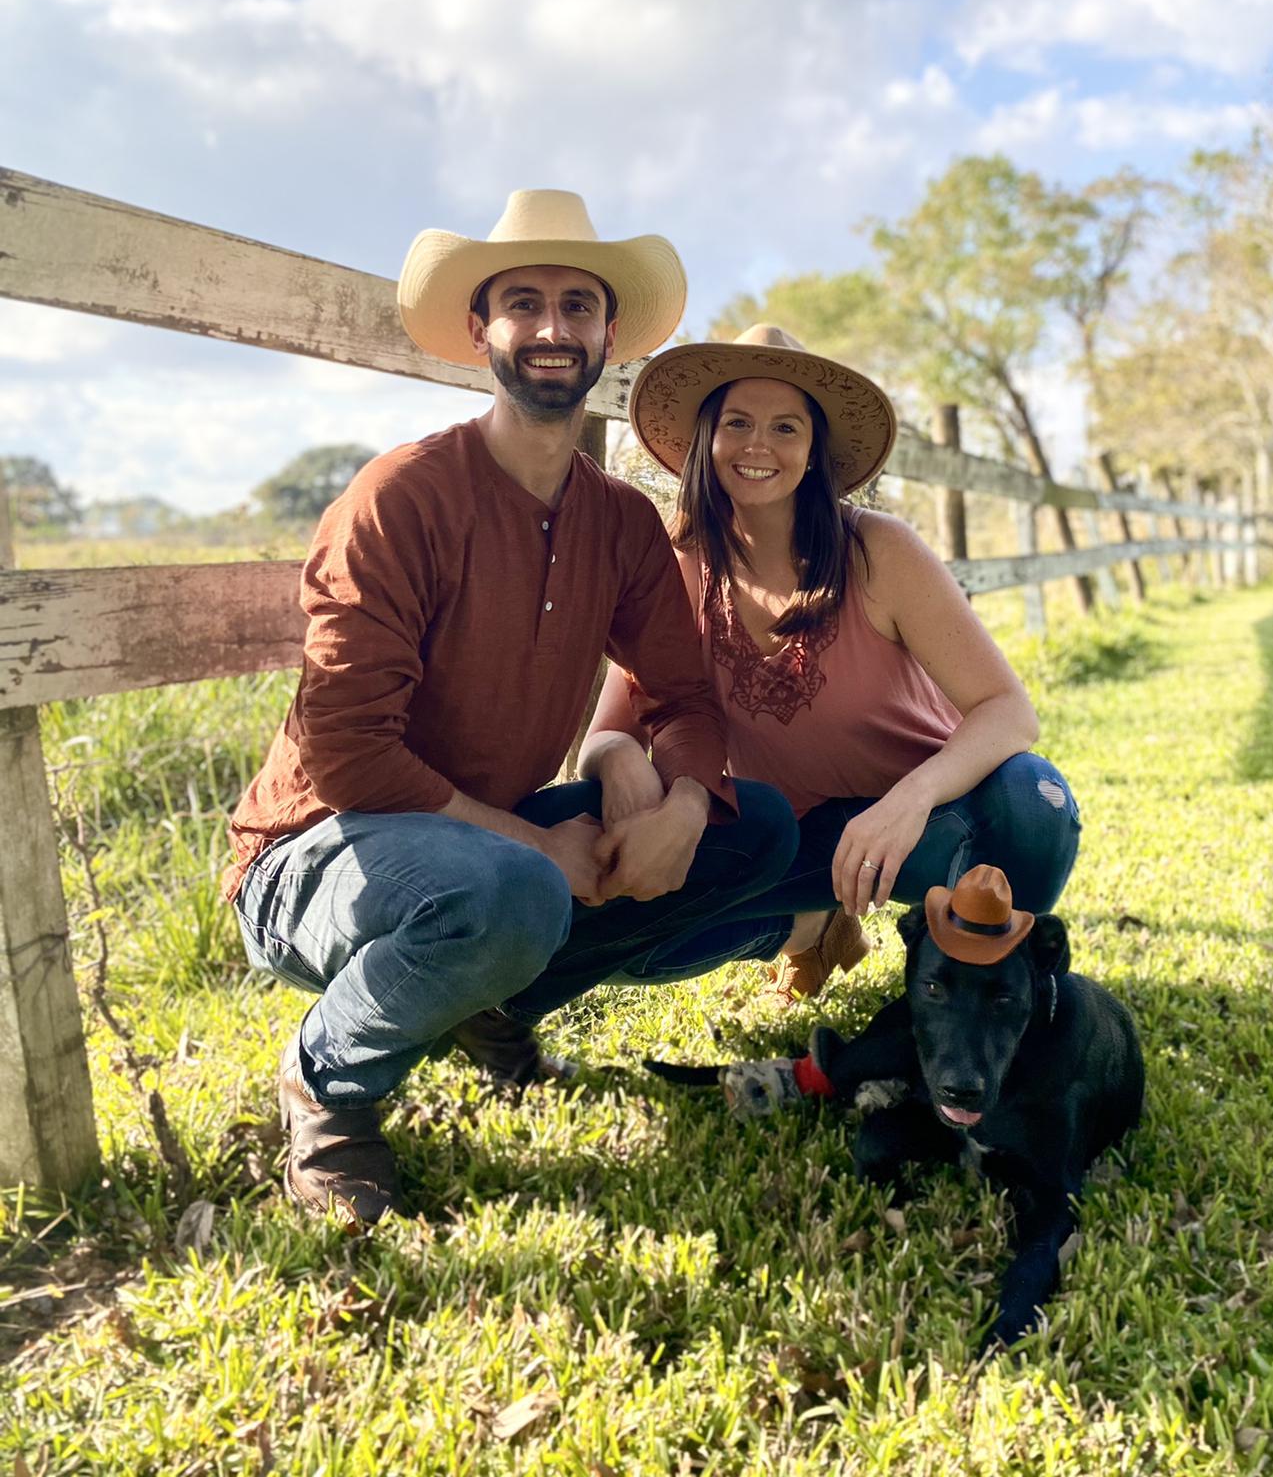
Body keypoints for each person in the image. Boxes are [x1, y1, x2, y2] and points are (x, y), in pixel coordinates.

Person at [227, 196, 797, 1222]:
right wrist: (532, 848)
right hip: (316, 853)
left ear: (606, 337)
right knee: (516, 889)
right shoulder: (399, 498)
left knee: (759, 831)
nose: (551, 327)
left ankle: (490, 1002)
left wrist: (683, 802)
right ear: (480, 331)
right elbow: (348, 753)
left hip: (471, 851)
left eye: (577, 305)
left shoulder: (618, 521)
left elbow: (688, 698)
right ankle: (328, 1086)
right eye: (522, 303)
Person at [580, 325, 1080, 1004]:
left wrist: (909, 801)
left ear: (815, 452)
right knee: (637, 940)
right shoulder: (676, 571)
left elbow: (1009, 712)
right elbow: (610, 732)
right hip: (797, 838)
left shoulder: (879, 552)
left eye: (786, 427)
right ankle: (809, 930)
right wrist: (624, 771)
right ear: (708, 440)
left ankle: (971, 984)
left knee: (1035, 805)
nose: (759, 445)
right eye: (738, 423)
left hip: (930, 819)